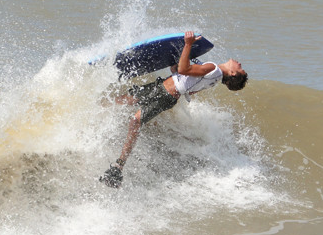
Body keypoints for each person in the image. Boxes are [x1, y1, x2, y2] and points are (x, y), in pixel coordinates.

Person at [100, 31, 248, 188]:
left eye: (240, 69)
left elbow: (184, 71)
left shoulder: (213, 69)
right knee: (119, 101)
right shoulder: (215, 79)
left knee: (135, 120)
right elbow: (187, 84)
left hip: (164, 94)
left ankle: (118, 168)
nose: (239, 64)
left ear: (232, 73)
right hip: (161, 89)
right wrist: (179, 66)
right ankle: (99, 116)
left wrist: (188, 44)